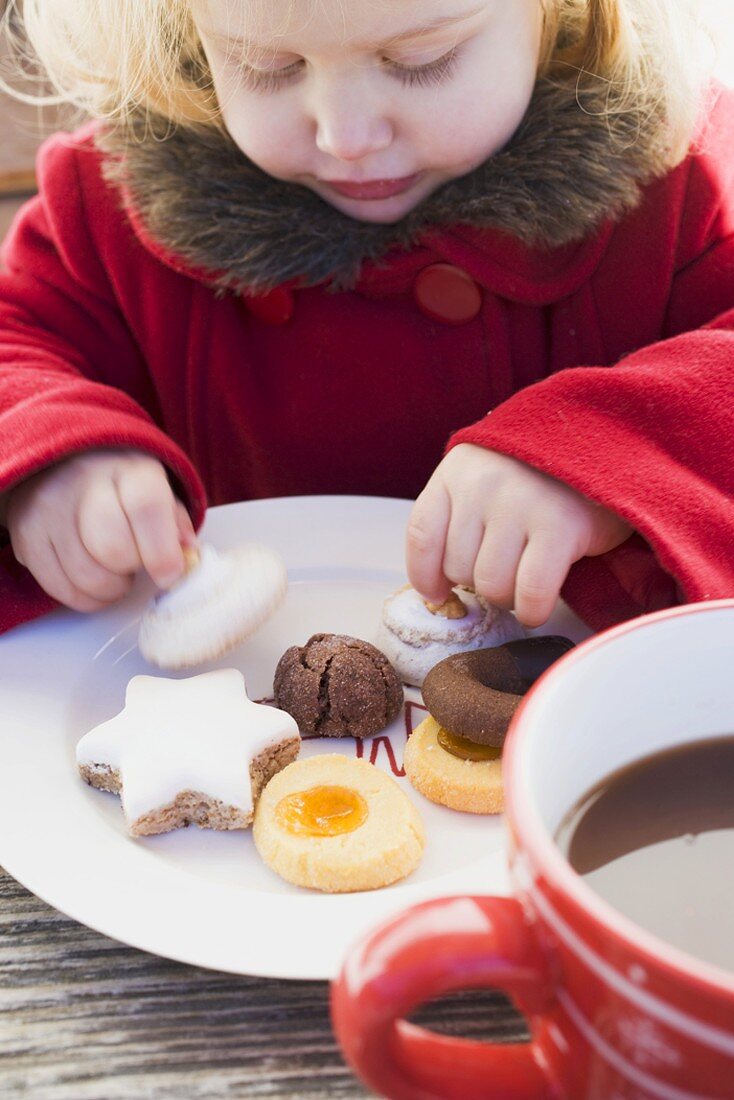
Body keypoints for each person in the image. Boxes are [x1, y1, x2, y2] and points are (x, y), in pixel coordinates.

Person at [0, 0, 731, 638]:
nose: (345, 135)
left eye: (420, 59)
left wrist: (602, 454)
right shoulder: (109, 208)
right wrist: (51, 454)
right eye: (268, 65)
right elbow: (14, 341)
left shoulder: (676, 185)